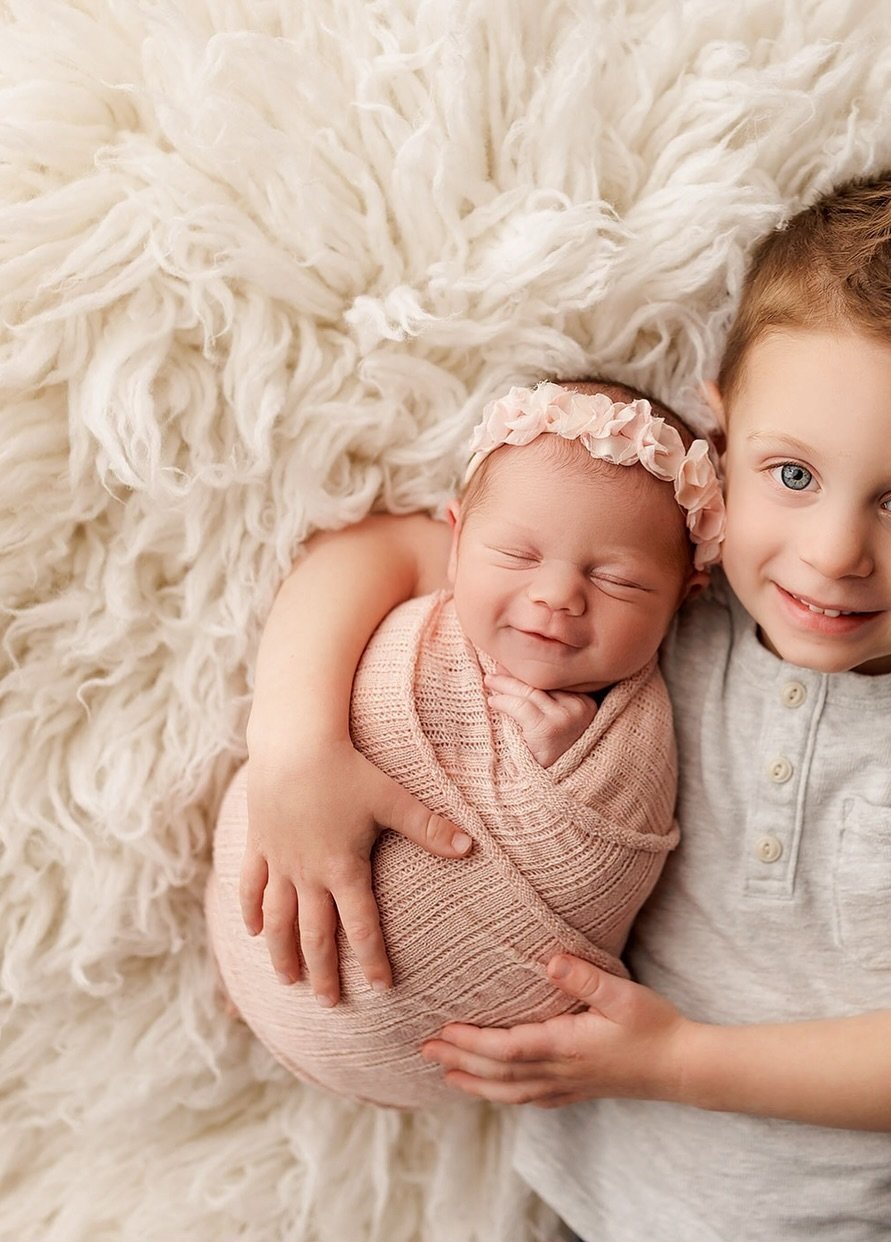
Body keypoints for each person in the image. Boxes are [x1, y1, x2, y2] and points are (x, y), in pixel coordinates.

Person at [239, 170, 891, 1239]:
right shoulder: (663, 611)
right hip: (608, 1204)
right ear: (720, 453)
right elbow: (385, 551)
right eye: (794, 476)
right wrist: (294, 750)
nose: (833, 554)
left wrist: (675, 1058)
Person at [206, 379, 722, 1107]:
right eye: (515, 553)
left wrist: (570, 766)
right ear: (456, 539)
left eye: (616, 579)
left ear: (684, 597)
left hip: (444, 1059)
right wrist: (297, 752)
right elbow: (354, 556)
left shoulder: (635, 737)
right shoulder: (430, 582)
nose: (558, 596)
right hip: (265, 888)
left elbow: (606, 864)